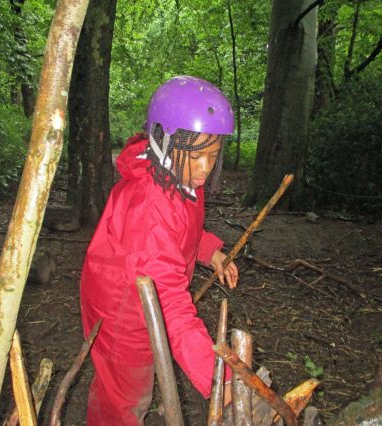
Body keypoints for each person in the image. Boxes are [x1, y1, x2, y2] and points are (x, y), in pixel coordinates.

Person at [80, 76, 239, 425]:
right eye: (197, 157)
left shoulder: (175, 176)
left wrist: (209, 251)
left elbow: (182, 231)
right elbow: (171, 310)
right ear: (163, 142)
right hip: (122, 308)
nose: (204, 170)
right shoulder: (151, 206)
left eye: (213, 157)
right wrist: (217, 379)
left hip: (139, 286)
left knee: (130, 381)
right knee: (123, 397)